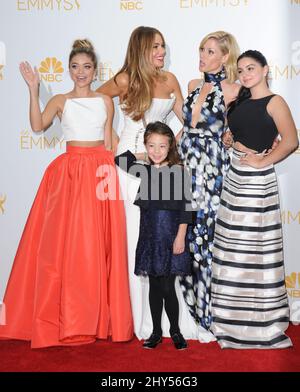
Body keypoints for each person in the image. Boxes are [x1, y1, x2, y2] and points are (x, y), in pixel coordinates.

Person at [0, 39, 133, 348]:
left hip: (101, 171)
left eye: (87, 67)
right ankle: (71, 319)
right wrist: (33, 90)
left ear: (95, 70)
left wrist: (137, 169)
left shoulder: (105, 100)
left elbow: (111, 142)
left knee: (101, 245)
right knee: (68, 246)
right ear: (69, 70)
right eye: (75, 67)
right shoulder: (60, 100)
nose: (81, 72)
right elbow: (37, 126)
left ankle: (100, 320)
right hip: (69, 174)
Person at [97, 26, 198, 340]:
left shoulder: (169, 80)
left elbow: (189, 119)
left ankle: (173, 325)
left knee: (166, 234)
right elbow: (97, 99)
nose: (162, 52)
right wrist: (113, 142)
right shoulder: (125, 79)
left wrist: (171, 145)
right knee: (138, 238)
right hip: (130, 167)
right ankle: (142, 323)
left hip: (161, 166)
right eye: (156, 46)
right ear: (141, 48)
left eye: (164, 47)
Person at [210, 50, 298, 349]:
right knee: (233, 245)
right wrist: (229, 139)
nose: (245, 73)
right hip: (234, 174)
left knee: (254, 246)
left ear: (264, 69)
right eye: (241, 69)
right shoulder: (239, 101)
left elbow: (291, 141)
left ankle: (259, 322)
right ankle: (229, 315)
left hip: (257, 181)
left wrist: (263, 162)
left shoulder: (276, 102)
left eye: (251, 68)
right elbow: (237, 132)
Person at [178, 31, 241, 341]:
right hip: (184, 162)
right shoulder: (191, 86)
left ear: (225, 57)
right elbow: (184, 129)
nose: (203, 55)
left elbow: (235, 132)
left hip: (211, 167)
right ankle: (186, 311)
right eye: (202, 48)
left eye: (211, 51)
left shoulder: (234, 90)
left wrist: (231, 139)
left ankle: (209, 314)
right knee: (183, 232)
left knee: (206, 237)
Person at [115, 121, 192, 349]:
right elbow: (120, 160)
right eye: (152, 146)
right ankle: (156, 332)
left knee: (169, 288)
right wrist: (145, 154)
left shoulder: (178, 171)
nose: (156, 151)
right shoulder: (145, 170)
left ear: (171, 147)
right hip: (150, 237)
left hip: (171, 239)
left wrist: (180, 237)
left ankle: (176, 331)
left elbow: (186, 209)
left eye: (162, 146)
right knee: (155, 288)